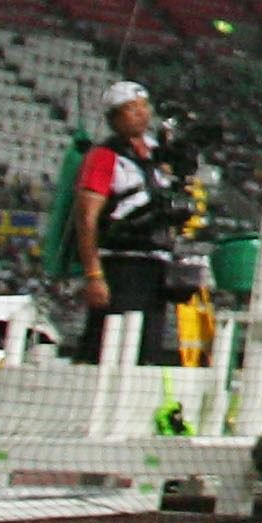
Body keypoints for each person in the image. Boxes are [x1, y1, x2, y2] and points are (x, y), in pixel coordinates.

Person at [71, 81, 197, 366]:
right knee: (106, 345)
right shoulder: (105, 156)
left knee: (147, 346)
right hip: (121, 264)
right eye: (131, 108)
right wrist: (93, 275)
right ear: (115, 117)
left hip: (157, 262)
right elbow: (87, 217)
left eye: (144, 106)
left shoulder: (160, 153)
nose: (141, 113)